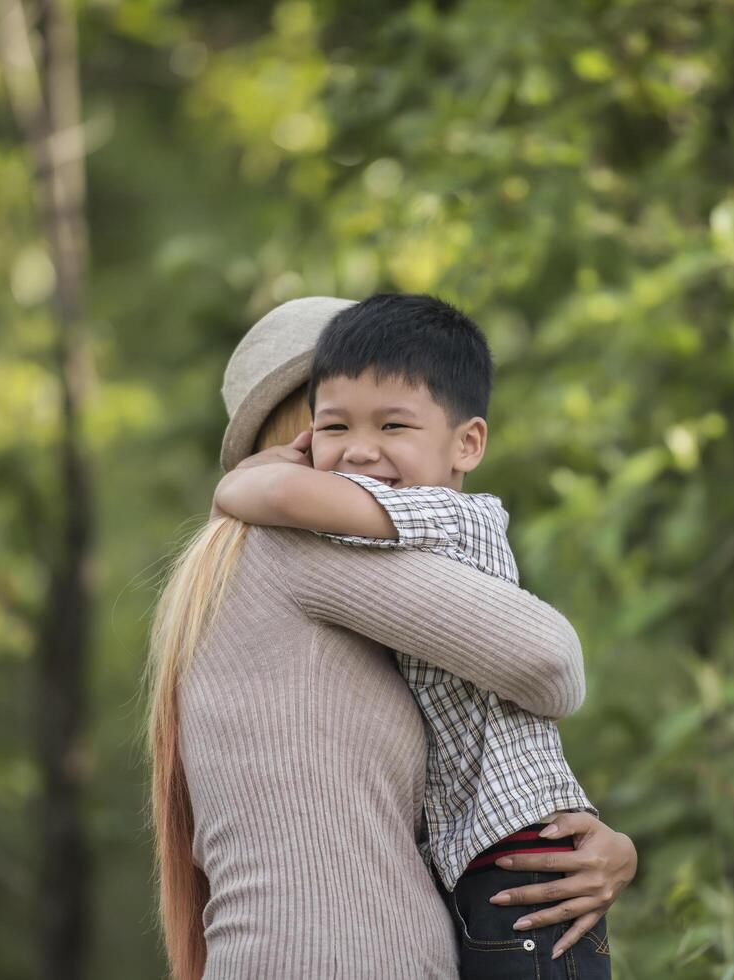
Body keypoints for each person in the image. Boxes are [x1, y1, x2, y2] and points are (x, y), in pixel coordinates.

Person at [146, 296, 636, 980]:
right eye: (337, 420)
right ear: (299, 435)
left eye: (396, 418)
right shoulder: (293, 550)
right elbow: (550, 662)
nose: (365, 451)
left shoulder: (231, 579)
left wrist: (586, 842)